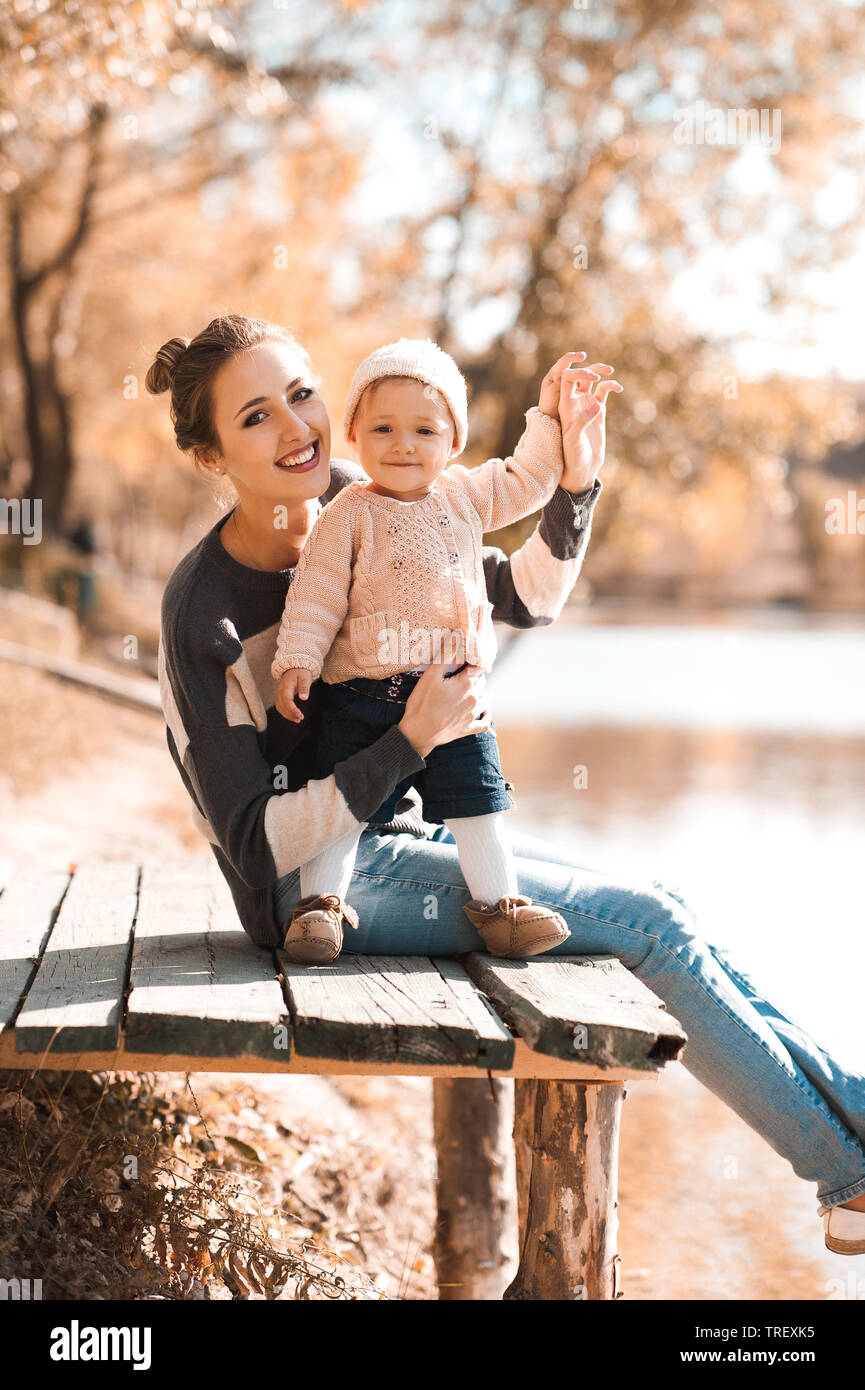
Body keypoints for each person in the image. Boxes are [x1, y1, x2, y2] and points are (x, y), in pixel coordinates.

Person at [150, 313, 865, 1256]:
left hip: (407, 841)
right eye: (254, 417)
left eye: (301, 393)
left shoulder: (379, 505)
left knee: (665, 906)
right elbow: (254, 845)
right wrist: (407, 739)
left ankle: (855, 1131)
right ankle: (845, 1181)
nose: (295, 428)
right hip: (316, 891)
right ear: (211, 456)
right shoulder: (204, 610)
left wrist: (574, 483)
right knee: (649, 930)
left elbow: (527, 597)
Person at [270, 336, 603, 964]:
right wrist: (297, 661)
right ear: (356, 438)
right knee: (349, 804)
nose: (403, 445)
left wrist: (550, 416)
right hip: (362, 698)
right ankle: (319, 910)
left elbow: (530, 479)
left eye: (424, 430)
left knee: (481, 805)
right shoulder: (349, 512)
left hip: (457, 697)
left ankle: (500, 908)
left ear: (453, 443)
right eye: (384, 429)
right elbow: (315, 597)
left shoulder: (464, 497)